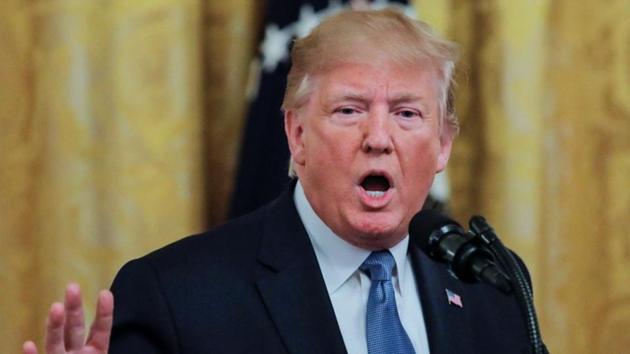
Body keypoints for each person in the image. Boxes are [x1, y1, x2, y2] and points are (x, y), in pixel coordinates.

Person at [24, 8, 531, 354]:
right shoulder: (177, 297)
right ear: (297, 134)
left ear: (442, 144)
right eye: (349, 110)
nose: (379, 138)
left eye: (406, 113)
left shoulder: (493, 286)